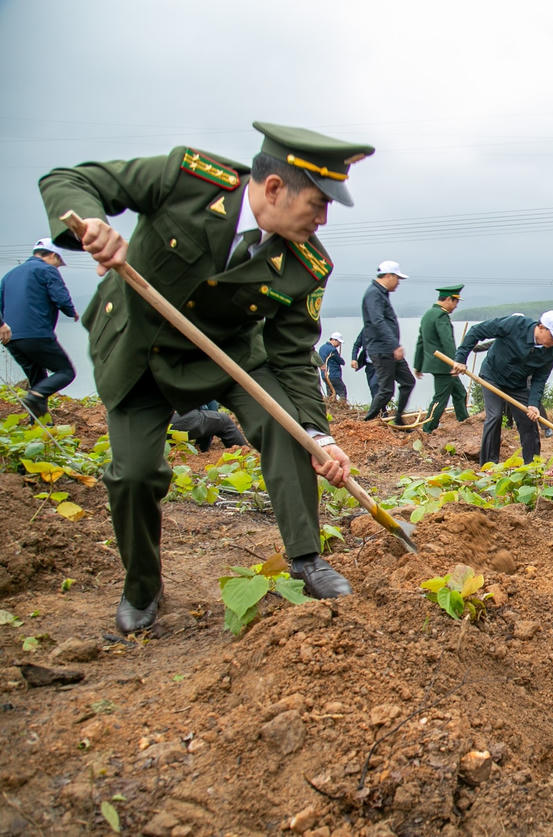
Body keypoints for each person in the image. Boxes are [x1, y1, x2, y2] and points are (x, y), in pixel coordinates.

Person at [38, 121, 374, 632]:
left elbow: (292, 356)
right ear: (274, 188)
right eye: (318, 203)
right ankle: (142, 587)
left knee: (287, 428)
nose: (323, 219)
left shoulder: (307, 265)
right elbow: (69, 180)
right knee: (134, 475)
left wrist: (318, 434)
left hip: (229, 357)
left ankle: (306, 558)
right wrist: (92, 225)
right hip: (141, 349)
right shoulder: (188, 180)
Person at [451, 311, 553, 465]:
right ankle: (488, 466)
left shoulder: (552, 351)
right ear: (541, 327)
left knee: (528, 421)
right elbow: (477, 331)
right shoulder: (515, 325)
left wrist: (533, 404)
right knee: (495, 416)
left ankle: (532, 467)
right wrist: (461, 358)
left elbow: (539, 379)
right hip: (492, 376)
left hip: (517, 384)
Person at [0, 238, 79, 416]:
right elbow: (61, 298)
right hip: (36, 334)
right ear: (53, 256)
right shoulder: (47, 270)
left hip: (11, 339)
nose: (58, 267)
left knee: (38, 381)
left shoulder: (9, 275)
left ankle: (38, 421)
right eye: (59, 262)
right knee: (66, 372)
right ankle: (35, 397)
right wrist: (72, 312)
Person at [360, 261, 415, 424]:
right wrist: (395, 345)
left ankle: (398, 419)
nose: (398, 283)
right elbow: (377, 321)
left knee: (408, 382)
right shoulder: (374, 294)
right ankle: (366, 422)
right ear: (389, 276)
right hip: (382, 349)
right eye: (397, 278)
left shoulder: (381, 293)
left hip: (389, 349)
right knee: (386, 390)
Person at [413, 284, 468, 433]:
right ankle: (428, 429)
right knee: (440, 399)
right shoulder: (441, 316)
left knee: (460, 393)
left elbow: (420, 342)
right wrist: (455, 362)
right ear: (449, 299)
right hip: (445, 365)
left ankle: (465, 422)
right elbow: (447, 341)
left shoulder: (428, 314)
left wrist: (418, 365)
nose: (456, 306)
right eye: (456, 302)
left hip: (438, 364)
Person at [169, 408, 248, 452]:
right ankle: (245, 457)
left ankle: (201, 450)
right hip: (169, 419)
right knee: (224, 421)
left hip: (164, 422)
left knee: (209, 418)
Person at [349, 328, 378, 403]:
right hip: (369, 365)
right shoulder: (365, 330)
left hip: (381, 365)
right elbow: (356, 345)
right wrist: (354, 359)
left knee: (374, 385)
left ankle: (376, 407)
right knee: (372, 388)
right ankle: (381, 408)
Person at [317, 332, 347, 403]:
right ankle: (342, 405)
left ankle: (330, 406)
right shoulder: (332, 350)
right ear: (334, 340)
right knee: (342, 390)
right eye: (339, 342)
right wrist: (342, 360)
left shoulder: (322, 348)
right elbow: (341, 361)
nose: (339, 344)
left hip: (324, 375)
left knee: (330, 393)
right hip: (333, 375)